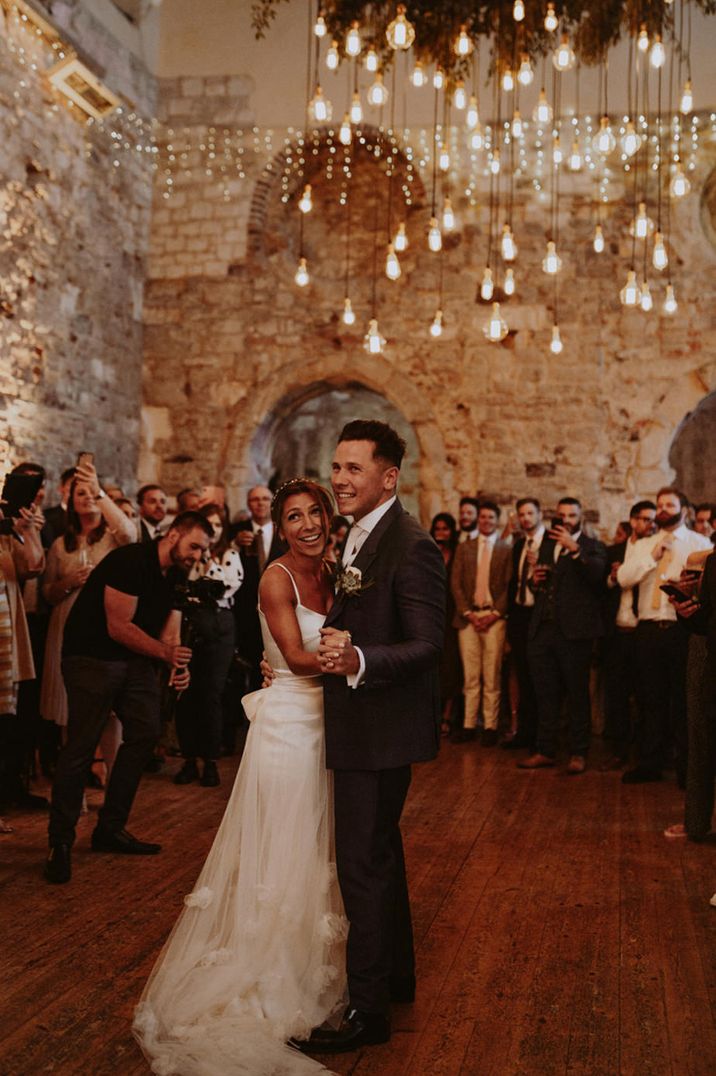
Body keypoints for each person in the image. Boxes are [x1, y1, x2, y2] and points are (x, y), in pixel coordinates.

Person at [133, 480, 347, 1075]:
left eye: (314, 514)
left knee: (312, 850)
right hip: (287, 727)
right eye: (293, 517)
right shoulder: (277, 577)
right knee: (281, 851)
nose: (307, 524)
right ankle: (270, 978)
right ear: (280, 525)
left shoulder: (335, 569)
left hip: (327, 722)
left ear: (328, 518)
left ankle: (307, 966)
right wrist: (355, 657)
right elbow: (295, 657)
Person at [305, 419, 446, 1054]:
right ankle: (396, 979)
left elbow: (426, 644)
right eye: (337, 467)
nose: (339, 479)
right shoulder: (361, 536)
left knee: (362, 865)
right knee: (378, 855)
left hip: (380, 729)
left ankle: (368, 1012)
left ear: (389, 477)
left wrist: (358, 658)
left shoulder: (409, 544)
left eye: (353, 468)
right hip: (366, 726)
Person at [44, 512, 213, 884]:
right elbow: (117, 626)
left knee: (146, 732)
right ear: (173, 535)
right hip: (90, 656)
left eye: (202, 550)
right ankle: (60, 841)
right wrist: (164, 654)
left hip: (133, 661)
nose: (197, 556)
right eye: (194, 546)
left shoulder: (178, 573)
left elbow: (171, 629)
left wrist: (177, 661)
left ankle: (110, 828)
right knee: (81, 746)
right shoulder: (131, 560)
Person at [618, 488, 711, 784]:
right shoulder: (644, 543)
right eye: (659, 505)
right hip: (648, 627)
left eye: (669, 504)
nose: (662, 509)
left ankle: (687, 769)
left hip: (682, 628)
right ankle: (650, 763)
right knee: (650, 698)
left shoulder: (699, 543)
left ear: (684, 509)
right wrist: (651, 557)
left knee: (684, 699)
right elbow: (623, 578)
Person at [40, 463, 136, 733]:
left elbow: (130, 533)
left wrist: (99, 491)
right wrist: (68, 583)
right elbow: (47, 591)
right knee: (68, 696)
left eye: (91, 493)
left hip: (101, 619)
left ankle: (102, 765)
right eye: (79, 493)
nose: (86, 497)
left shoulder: (112, 538)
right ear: (70, 502)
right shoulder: (61, 543)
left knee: (103, 697)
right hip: (66, 618)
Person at [519, 497, 607, 775]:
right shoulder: (546, 545)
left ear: (581, 519)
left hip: (574, 633)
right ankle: (545, 750)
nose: (566, 519)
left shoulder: (593, 546)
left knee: (577, 694)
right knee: (545, 693)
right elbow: (538, 589)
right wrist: (535, 579)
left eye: (571, 515)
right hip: (543, 629)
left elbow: (596, 576)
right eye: (561, 515)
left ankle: (578, 752)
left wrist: (574, 548)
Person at [173, 503, 243, 787]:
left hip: (218, 623)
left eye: (216, 525)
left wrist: (209, 565)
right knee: (185, 692)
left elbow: (225, 587)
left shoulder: (229, 554)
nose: (212, 531)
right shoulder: (188, 556)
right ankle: (189, 758)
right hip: (188, 621)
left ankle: (211, 760)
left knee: (211, 693)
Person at [451, 500, 512, 746]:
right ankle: (468, 724)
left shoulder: (506, 549)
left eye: (490, 517)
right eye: (483, 517)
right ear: (479, 520)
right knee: (471, 675)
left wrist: (494, 613)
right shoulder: (465, 548)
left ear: (497, 521)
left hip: (494, 618)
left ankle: (490, 725)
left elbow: (510, 584)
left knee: (492, 674)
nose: (486, 521)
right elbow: (455, 583)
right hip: (468, 618)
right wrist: (468, 613)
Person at [231, 485, 287, 692]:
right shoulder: (236, 530)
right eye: (255, 499)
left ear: (272, 503)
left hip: (277, 606)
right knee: (248, 662)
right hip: (246, 608)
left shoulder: (283, 529)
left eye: (265, 499)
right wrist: (235, 544)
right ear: (248, 504)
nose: (260, 503)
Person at [506, 497, 546, 752]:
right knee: (522, 675)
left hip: (539, 616)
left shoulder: (548, 543)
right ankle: (525, 732)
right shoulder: (519, 544)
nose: (526, 518)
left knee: (540, 678)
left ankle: (541, 738)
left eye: (530, 513)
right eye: (522, 514)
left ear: (540, 514)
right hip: (520, 614)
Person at [430, 512, 462, 735]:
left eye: (445, 529)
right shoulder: (428, 551)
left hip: (452, 615)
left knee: (451, 667)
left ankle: (449, 716)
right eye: (438, 529)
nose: (441, 533)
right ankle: (433, 715)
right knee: (432, 667)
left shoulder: (458, 553)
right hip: (432, 615)